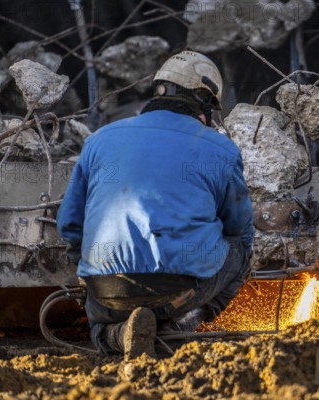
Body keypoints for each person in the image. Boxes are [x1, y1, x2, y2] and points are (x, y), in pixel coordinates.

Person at [57, 51, 253, 360]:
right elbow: (240, 231)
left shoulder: (99, 140)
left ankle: (117, 335)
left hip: (106, 292)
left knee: (99, 324)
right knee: (240, 250)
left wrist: (87, 274)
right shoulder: (221, 149)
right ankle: (183, 326)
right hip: (179, 293)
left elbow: (69, 225)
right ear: (203, 105)